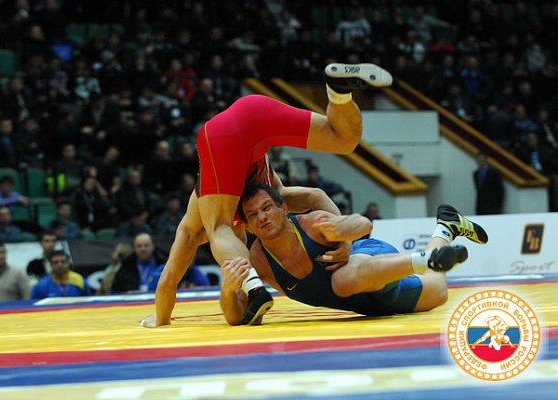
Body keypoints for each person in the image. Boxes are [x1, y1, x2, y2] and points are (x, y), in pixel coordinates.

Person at [145, 63, 394, 328]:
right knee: (343, 139)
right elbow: (314, 196)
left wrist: (160, 318)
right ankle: (338, 92)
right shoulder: (266, 190)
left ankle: (254, 288)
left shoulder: (194, 228)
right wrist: (341, 235)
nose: (259, 220)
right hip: (255, 110)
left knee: (218, 227)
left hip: (222, 136)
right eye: (253, 216)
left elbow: (168, 279)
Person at [218, 184, 488, 325]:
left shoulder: (312, 224)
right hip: (374, 305)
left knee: (342, 280)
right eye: (253, 214)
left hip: (368, 258)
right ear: (247, 226)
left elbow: (364, 224)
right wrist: (228, 290)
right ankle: (446, 227)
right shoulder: (258, 262)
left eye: (267, 208)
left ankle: (424, 260)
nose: (262, 217)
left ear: (284, 208)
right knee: (439, 290)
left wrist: (345, 233)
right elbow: (238, 317)